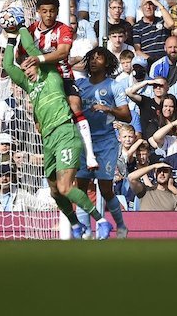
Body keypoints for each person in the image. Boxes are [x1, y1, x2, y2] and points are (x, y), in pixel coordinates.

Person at [2, 25, 113, 239]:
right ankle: (75, 224)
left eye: (28, 63)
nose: (26, 68)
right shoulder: (28, 84)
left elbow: (31, 48)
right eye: (23, 66)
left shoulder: (51, 75)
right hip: (48, 140)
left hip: (65, 132)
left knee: (64, 187)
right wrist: (10, 38)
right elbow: (8, 65)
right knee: (54, 190)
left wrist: (22, 29)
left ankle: (101, 221)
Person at [22, 0, 98, 170]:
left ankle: (89, 154)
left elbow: (63, 53)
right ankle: (52, 154)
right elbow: (20, 55)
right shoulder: (30, 31)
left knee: (75, 104)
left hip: (63, 76)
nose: (48, 15)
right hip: (41, 81)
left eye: (52, 11)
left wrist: (37, 59)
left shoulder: (63, 29)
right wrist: (27, 66)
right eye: (45, 11)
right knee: (41, 123)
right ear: (38, 12)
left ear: (57, 11)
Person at [75, 46, 131, 237]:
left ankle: (121, 226)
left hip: (106, 142)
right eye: (91, 58)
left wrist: (109, 109)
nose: (93, 61)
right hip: (84, 141)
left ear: (106, 62)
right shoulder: (80, 84)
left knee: (106, 189)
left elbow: (127, 115)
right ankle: (86, 232)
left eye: (98, 58)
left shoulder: (114, 86)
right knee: (80, 186)